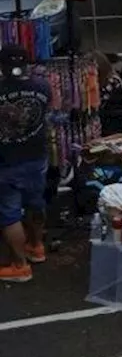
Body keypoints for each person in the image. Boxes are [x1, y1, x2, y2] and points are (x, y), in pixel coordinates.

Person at [0, 45, 52, 282]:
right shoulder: (42, 87)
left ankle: (20, 265)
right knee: (35, 203)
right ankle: (36, 245)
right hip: (36, 155)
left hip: (7, 161)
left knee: (10, 214)